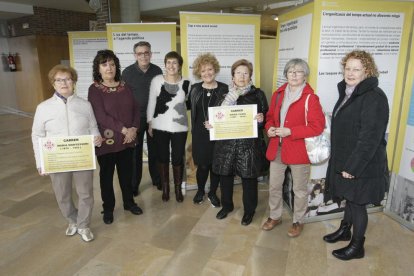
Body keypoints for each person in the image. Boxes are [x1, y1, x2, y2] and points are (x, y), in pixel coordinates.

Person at [323, 50, 389, 260]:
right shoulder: (349, 91)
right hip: (347, 158)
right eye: (348, 68)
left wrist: (353, 167)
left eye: (356, 69)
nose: (350, 73)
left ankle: (357, 246)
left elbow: (369, 138)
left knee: (357, 203)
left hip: (363, 163)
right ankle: (345, 230)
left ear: (367, 71)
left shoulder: (374, 97)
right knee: (350, 199)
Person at [32, 65, 102, 242]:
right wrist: (40, 161)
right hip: (57, 159)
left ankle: (84, 225)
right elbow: (37, 135)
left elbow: (93, 126)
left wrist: (96, 137)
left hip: (81, 158)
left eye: (68, 79)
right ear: (53, 83)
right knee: (62, 194)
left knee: (85, 193)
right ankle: (72, 220)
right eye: (59, 80)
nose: (64, 83)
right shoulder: (43, 108)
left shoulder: (85, 105)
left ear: (74, 82)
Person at [263, 59, 325, 237]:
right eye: (291, 71)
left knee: (298, 189)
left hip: (299, 150)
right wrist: (270, 129)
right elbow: (269, 118)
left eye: (298, 72)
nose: (294, 75)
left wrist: (290, 131)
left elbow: (317, 126)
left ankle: (298, 221)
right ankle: (275, 216)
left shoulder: (310, 98)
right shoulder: (278, 94)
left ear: (305, 75)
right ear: (286, 74)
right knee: (274, 185)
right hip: (277, 148)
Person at [88, 49, 143, 225]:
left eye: (112, 64)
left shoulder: (125, 86)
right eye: (104, 64)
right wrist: (124, 129)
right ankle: (109, 208)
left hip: (127, 140)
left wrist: (134, 128)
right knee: (106, 177)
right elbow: (100, 115)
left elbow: (136, 108)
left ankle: (129, 203)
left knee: (126, 175)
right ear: (98, 68)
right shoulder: (94, 89)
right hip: (107, 141)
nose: (109, 68)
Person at [212, 59, 268, 226]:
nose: (242, 76)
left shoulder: (258, 94)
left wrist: (260, 119)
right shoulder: (223, 94)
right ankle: (227, 206)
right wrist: (210, 124)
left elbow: (265, 117)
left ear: (250, 76)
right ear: (233, 75)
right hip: (226, 145)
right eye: (238, 73)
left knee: (249, 179)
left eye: (246, 73)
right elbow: (215, 116)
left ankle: (249, 211)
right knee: (225, 178)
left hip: (248, 145)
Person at [147, 51, 191, 202]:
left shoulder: (187, 82)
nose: (171, 66)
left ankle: (178, 189)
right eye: (169, 62)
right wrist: (150, 122)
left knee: (178, 157)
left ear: (180, 66)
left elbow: (189, 103)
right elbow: (152, 102)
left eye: (175, 63)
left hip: (179, 127)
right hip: (160, 125)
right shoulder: (157, 80)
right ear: (165, 64)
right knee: (163, 157)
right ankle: (166, 188)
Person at [122, 41, 163, 196]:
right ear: (135, 55)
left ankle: (157, 179)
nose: (144, 56)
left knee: (155, 152)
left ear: (150, 54)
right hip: (135, 120)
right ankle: (134, 185)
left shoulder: (158, 71)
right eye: (140, 53)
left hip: (154, 119)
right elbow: (124, 99)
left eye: (146, 53)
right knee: (135, 154)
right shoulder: (127, 73)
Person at [188, 53, 227, 207]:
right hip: (200, 134)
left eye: (209, 69)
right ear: (199, 73)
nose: (207, 73)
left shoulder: (224, 89)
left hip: (219, 133)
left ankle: (212, 192)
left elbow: (231, 111)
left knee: (216, 165)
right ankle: (200, 190)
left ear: (215, 69)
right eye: (203, 71)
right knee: (203, 165)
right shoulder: (194, 89)